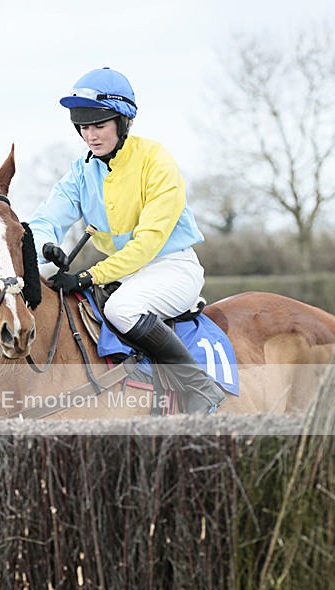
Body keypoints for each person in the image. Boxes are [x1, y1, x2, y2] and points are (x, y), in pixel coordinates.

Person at [28, 67, 225, 413]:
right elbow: (44, 220)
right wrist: (46, 251)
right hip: (126, 275)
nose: (91, 136)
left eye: (99, 125)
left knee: (122, 309)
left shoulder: (156, 160)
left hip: (171, 268)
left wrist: (89, 275)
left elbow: (147, 244)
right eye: (84, 127)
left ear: (124, 122)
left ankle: (199, 387)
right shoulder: (81, 172)